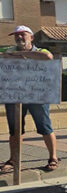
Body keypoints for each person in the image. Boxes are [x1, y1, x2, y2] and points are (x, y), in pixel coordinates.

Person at [0, 26, 60, 174]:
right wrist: (16, 55)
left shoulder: (41, 51)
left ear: (31, 37)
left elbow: (48, 57)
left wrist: (20, 54)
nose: (19, 37)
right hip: (14, 96)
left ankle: (53, 157)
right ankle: (13, 160)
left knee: (45, 127)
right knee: (15, 131)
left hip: (37, 96)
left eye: (22, 35)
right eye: (16, 35)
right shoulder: (9, 50)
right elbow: (3, 56)